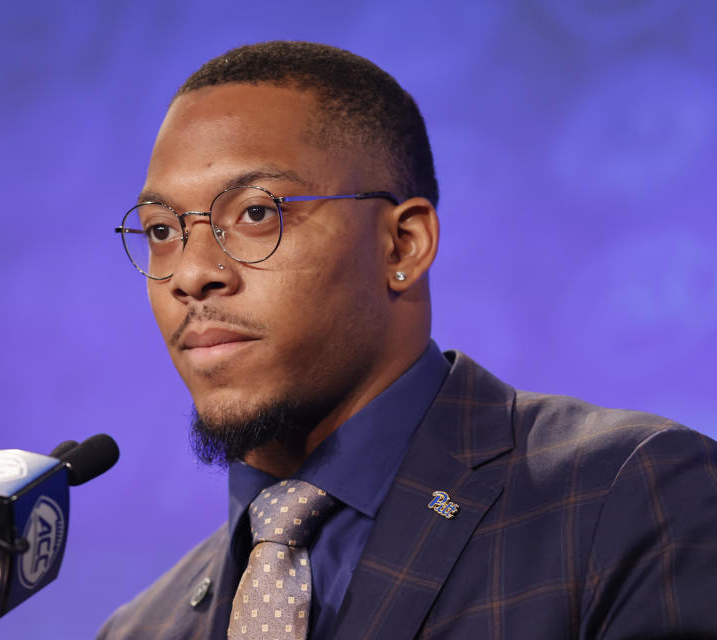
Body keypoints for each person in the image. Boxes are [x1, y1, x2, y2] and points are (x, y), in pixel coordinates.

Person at [99, 41, 717, 639]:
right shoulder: (142, 629)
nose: (190, 273)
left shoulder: (626, 498)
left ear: (403, 244)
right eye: (161, 229)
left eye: (257, 214)